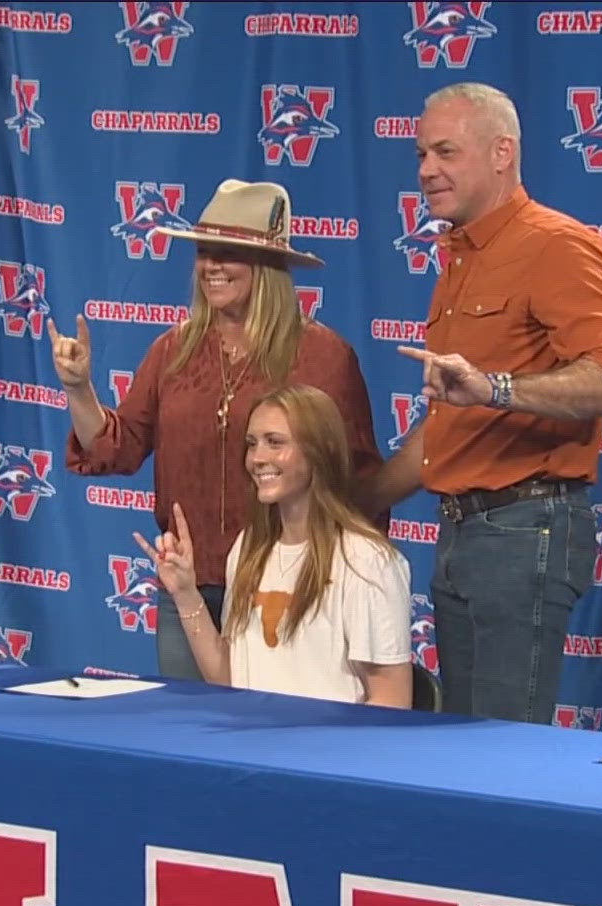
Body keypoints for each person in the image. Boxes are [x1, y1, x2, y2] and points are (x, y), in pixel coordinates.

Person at [358, 83, 602, 726]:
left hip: (526, 529)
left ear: (501, 153)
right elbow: (452, 432)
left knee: (501, 751)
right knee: (462, 741)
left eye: (445, 152)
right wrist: (351, 504)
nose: (427, 170)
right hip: (462, 531)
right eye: (422, 154)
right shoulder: (459, 259)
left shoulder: (555, 244)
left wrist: (496, 388)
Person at [51, 178, 382, 679]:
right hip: (190, 583)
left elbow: (355, 479)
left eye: (229, 253)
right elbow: (115, 449)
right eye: (205, 252)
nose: (212, 266)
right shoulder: (174, 350)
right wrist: (79, 389)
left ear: (269, 266)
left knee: (274, 736)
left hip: (286, 585)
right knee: (190, 738)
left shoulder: (322, 356)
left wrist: (342, 583)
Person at [135, 385, 412, 707]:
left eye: (275, 443)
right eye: (252, 444)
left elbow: (390, 702)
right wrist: (185, 595)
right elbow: (229, 679)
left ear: (319, 451)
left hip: (326, 753)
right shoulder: (248, 547)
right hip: (249, 747)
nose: (258, 458)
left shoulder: (365, 560)